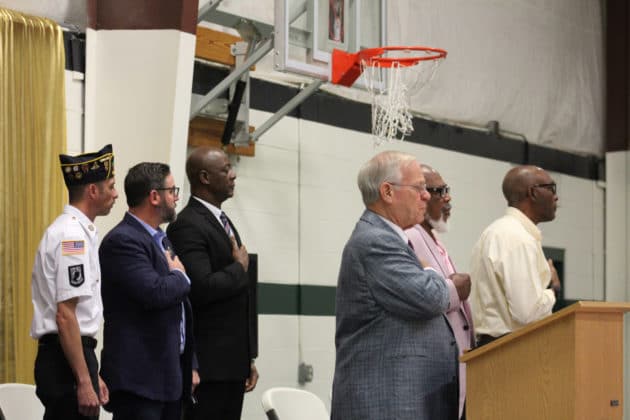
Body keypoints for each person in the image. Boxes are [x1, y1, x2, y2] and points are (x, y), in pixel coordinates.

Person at [331, 151, 471, 420]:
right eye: (418, 188)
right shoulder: (376, 241)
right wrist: (447, 284)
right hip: (386, 402)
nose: (427, 195)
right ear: (388, 192)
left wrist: (428, 273)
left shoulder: (389, 238)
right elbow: (429, 297)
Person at [167, 147, 258, 420]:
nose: (233, 175)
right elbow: (201, 287)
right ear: (204, 177)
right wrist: (239, 267)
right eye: (226, 169)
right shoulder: (188, 225)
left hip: (231, 365)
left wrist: (246, 357)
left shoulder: (221, 219)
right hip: (208, 369)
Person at [99, 162, 195, 420]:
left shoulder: (160, 238)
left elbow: (178, 306)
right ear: (154, 196)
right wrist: (181, 276)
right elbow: (155, 292)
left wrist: (190, 363)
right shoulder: (123, 241)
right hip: (139, 381)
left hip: (167, 377)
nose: (176, 197)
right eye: (172, 190)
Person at [30, 144, 117, 419]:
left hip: (70, 356)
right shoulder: (72, 238)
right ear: (93, 191)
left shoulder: (76, 232)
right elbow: (66, 315)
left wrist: (91, 374)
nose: (116, 194)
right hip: (64, 359)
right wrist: (82, 380)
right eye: (111, 186)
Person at [405, 164, 474, 420]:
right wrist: (456, 288)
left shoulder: (432, 238)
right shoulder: (408, 237)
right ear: (420, 196)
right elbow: (423, 296)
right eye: (440, 191)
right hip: (430, 368)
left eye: (448, 190)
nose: (448, 198)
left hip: (452, 364)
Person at [470, 165, 561, 346]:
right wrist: (553, 290)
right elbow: (527, 313)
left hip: (495, 348)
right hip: (510, 350)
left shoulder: (498, 231)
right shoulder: (517, 238)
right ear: (533, 193)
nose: (556, 196)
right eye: (551, 188)